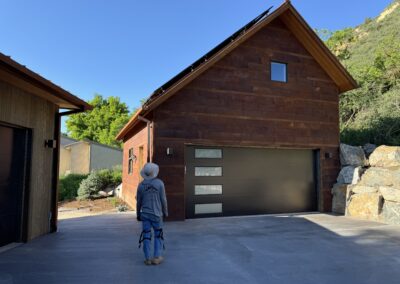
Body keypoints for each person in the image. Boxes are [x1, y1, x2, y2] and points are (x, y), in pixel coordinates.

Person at [136, 162, 168, 265]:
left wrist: (138, 214)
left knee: (146, 235)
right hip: (157, 214)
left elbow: (139, 202)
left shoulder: (140, 185)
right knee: (158, 235)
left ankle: (147, 258)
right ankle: (157, 257)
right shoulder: (159, 183)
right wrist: (165, 211)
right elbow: (163, 199)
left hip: (145, 214)